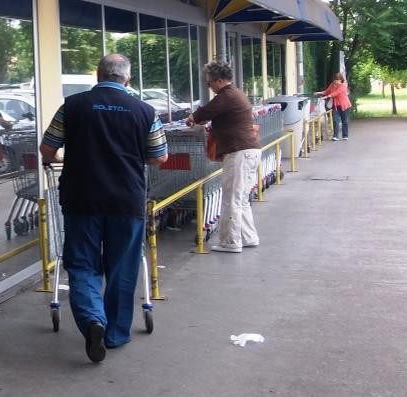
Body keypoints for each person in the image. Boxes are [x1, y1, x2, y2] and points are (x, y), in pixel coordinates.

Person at [40, 54, 168, 363]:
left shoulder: (72, 106)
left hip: (81, 199)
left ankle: (93, 321)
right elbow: (159, 157)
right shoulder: (145, 110)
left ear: (98, 76)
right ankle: (115, 334)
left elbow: (47, 148)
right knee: (123, 268)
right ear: (128, 79)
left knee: (82, 265)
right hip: (127, 201)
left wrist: (61, 159)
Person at [187, 60, 260, 254]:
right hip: (249, 150)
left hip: (239, 152)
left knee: (231, 199)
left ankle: (230, 241)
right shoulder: (236, 93)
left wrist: (191, 119)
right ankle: (248, 237)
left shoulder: (225, 96)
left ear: (219, 80)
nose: (209, 86)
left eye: (209, 82)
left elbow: (204, 112)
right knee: (241, 199)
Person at [316, 72, 352, 140]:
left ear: (341, 80)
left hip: (344, 106)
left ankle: (345, 135)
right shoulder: (332, 85)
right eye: (335, 80)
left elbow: (336, 93)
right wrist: (319, 93)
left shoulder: (343, 86)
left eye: (338, 80)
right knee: (335, 120)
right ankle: (335, 136)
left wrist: (327, 97)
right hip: (335, 106)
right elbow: (327, 91)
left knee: (344, 121)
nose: (336, 81)